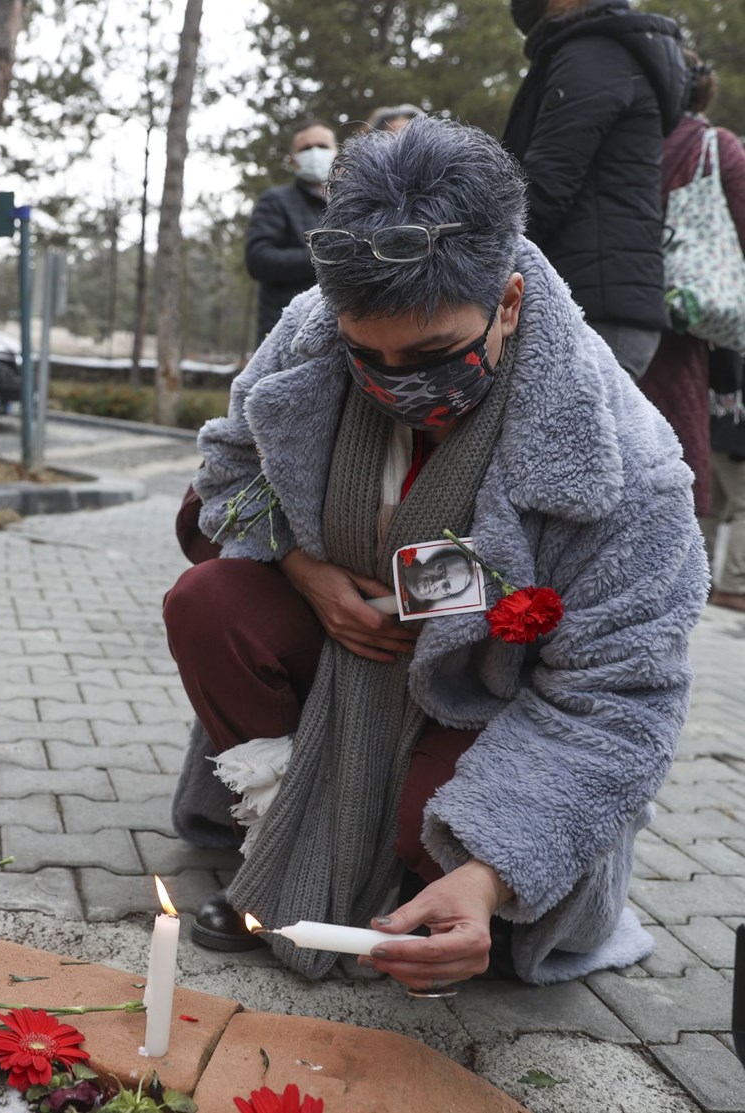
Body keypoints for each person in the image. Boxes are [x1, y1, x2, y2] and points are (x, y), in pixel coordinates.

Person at [163, 117, 707, 993]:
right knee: (209, 603)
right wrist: (305, 574)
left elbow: (618, 701)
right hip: (341, 652)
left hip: (487, 700)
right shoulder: (308, 336)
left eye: (429, 356)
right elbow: (225, 482)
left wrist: (489, 873)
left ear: (510, 303)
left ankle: (426, 882)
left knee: (439, 831)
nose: (395, 384)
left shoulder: (629, 466)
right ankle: (283, 825)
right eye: (365, 356)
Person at [502, 0, 686, 379]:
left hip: (595, 309)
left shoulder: (594, 53)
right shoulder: (598, 50)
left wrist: (479, 259)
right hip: (600, 302)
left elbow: (546, 185)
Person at [638, 52, 745, 530]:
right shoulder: (714, 146)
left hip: (600, 307)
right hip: (679, 320)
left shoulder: (617, 138)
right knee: (672, 447)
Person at [244, 119, 337, 345]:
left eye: (323, 146)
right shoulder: (275, 200)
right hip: (285, 332)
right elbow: (258, 259)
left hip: (341, 330)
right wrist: (328, 255)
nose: (315, 152)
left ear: (337, 153)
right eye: (306, 148)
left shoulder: (352, 204)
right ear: (293, 161)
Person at [701, 348, 745, 612]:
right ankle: (734, 585)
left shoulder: (729, 336)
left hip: (716, 431)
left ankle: (701, 580)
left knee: (710, 510)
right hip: (737, 441)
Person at [403, 549, 473, 605]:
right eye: (441, 569)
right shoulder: (402, 557)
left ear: (442, 597)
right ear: (433, 560)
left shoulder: (418, 620)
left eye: (445, 587)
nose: (436, 582)